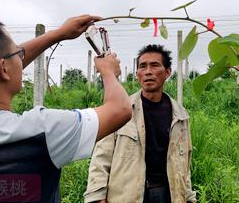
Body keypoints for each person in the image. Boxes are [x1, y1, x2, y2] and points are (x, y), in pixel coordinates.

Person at [0, 15, 132, 203]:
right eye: (17, 53)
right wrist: (109, 72)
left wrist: (58, 34)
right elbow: (120, 109)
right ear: (4, 68)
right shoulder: (40, 132)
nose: (21, 57)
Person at [84, 44, 196, 203]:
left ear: (167, 72)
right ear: (137, 74)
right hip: (128, 195)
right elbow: (102, 156)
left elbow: (183, 162)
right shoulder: (120, 110)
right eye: (143, 66)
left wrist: (189, 196)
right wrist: (97, 197)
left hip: (168, 194)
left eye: (155, 65)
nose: (148, 71)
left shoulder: (180, 115)